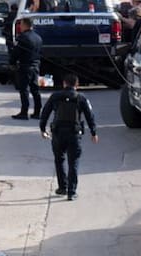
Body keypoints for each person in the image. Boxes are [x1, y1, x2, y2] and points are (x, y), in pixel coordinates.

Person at [38, 72, 98, 200]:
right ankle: (71, 192)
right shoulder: (81, 98)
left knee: (59, 160)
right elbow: (89, 116)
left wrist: (42, 129)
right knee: (73, 162)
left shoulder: (55, 96)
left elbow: (45, 112)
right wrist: (94, 132)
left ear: (64, 83)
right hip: (74, 134)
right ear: (77, 85)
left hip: (58, 133)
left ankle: (62, 188)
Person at [11, 18, 42, 119]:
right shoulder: (38, 38)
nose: (19, 26)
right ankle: (37, 112)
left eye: (21, 24)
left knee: (24, 90)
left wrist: (12, 62)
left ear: (25, 25)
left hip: (25, 66)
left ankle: (24, 112)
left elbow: (16, 52)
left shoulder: (23, 38)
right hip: (36, 66)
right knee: (35, 89)